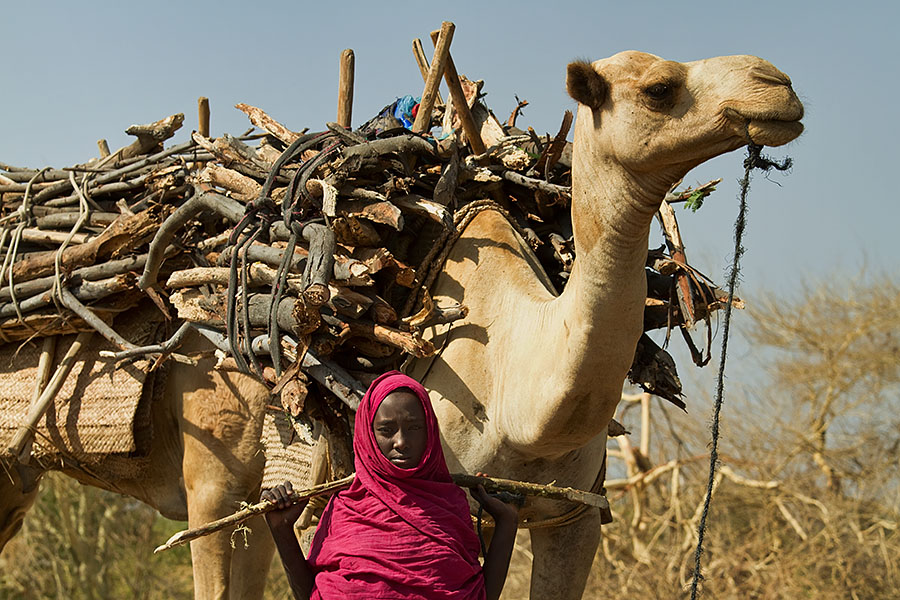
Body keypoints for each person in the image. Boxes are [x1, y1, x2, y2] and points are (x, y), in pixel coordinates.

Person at [262, 371, 519, 600]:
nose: (401, 442)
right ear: (368, 434)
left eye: (414, 427)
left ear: (430, 430)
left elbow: (479, 595)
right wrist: (281, 530)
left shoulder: (450, 505)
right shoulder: (344, 510)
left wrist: (507, 521)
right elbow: (315, 594)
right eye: (386, 430)